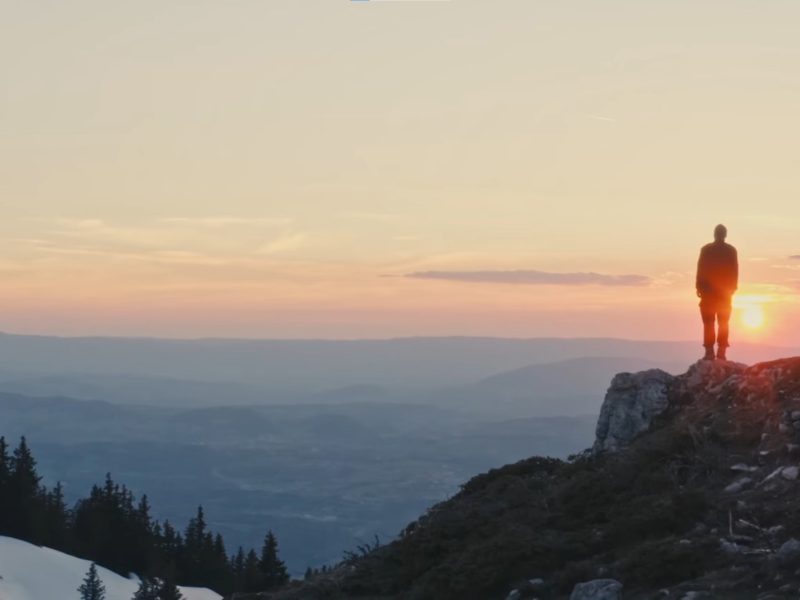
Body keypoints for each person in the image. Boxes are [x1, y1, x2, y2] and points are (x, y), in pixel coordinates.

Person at [695, 224, 738, 361]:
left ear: (715, 234)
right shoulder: (730, 250)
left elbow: (700, 269)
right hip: (723, 293)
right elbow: (734, 271)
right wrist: (732, 288)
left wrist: (699, 287)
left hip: (710, 293)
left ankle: (711, 352)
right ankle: (720, 352)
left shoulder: (706, 249)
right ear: (725, 234)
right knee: (722, 323)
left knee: (710, 323)